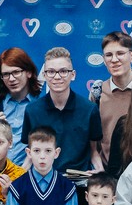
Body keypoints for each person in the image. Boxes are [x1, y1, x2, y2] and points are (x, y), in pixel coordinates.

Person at [22, 47, 103, 175]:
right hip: (44, 180)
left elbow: (94, 151)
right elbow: (30, 154)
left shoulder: (89, 109)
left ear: (73, 75)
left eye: (63, 71)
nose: (57, 77)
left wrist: (100, 171)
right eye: (51, 72)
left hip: (78, 180)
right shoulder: (32, 110)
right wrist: (18, 178)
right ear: (44, 75)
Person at [0, 47, 41, 167]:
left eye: (16, 72)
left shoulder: (40, 106)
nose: (11, 79)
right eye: (6, 74)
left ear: (29, 72)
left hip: (29, 172)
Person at [89, 31, 132, 169]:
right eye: (109, 55)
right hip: (108, 172)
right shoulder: (98, 92)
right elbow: (93, 140)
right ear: (104, 60)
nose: (114, 60)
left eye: (120, 53)